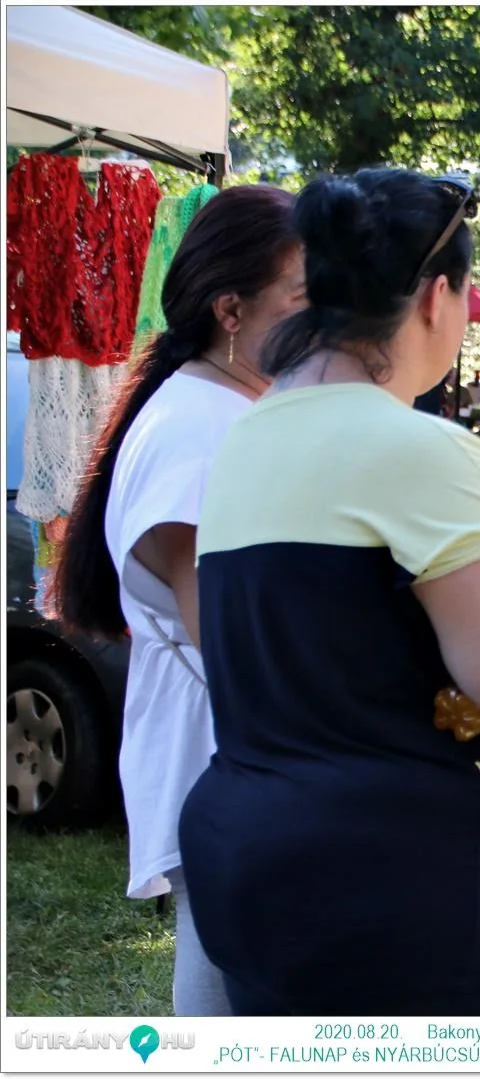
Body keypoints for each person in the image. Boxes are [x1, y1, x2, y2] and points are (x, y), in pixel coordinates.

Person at [179, 169, 480, 1016]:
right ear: (438, 297)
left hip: (254, 859)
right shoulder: (421, 450)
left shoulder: (245, 440)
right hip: (396, 890)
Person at [44, 185, 306, 1016]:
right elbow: (233, 651)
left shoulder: (222, 408)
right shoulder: (202, 430)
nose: (327, 318)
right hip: (233, 764)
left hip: (240, 768)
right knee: (234, 1019)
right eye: (303, 296)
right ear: (231, 310)